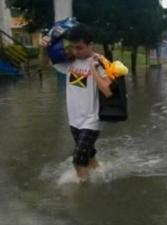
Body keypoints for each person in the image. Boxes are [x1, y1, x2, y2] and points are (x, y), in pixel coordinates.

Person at [40, 24, 113, 183]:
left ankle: (83, 192)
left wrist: (93, 69)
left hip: (92, 119)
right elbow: (43, 65)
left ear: (89, 44)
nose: (75, 51)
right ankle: (99, 171)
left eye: (79, 47)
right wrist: (44, 48)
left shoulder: (100, 62)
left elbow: (108, 90)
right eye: (72, 47)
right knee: (88, 153)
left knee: (78, 157)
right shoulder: (69, 61)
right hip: (74, 119)